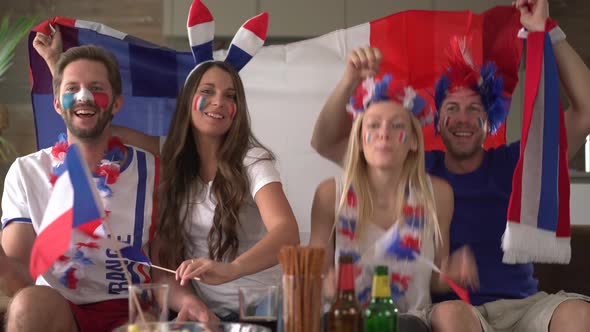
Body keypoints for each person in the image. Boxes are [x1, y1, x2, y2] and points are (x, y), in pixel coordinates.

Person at [310, 0, 590, 331]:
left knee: (578, 313)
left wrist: (548, 31)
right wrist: (350, 81)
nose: (462, 119)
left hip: (525, 304)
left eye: (474, 109)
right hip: (456, 311)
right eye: (452, 108)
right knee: (450, 316)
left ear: (490, 122)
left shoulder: (519, 163)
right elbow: (328, 141)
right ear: (437, 123)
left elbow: (585, 110)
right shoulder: (415, 169)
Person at [33, 9, 300, 321]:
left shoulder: (252, 159)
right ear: (188, 101)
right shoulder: (169, 153)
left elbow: (287, 232)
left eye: (230, 96)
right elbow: (90, 124)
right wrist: (57, 68)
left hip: (265, 312)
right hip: (206, 313)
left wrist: (232, 269)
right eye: (207, 92)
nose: (219, 102)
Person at [0, 45, 163, 332]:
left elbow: (166, 264)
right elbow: (20, 278)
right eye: (72, 88)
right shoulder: (27, 172)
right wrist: (2, 266)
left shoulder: (152, 170)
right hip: (59, 307)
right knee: (28, 306)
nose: (83, 96)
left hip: (131, 309)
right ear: (56, 103)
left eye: (96, 87)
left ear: (116, 103)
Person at [309, 74, 478, 331]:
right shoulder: (331, 194)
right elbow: (315, 274)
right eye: (374, 126)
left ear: (412, 141)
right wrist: (324, 282)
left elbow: (434, 280)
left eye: (397, 126)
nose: (384, 134)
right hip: (345, 320)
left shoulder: (439, 195)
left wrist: (453, 275)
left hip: (409, 321)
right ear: (360, 139)